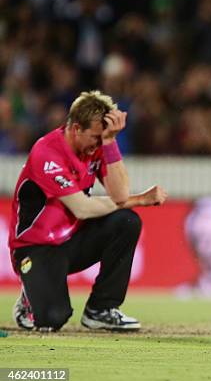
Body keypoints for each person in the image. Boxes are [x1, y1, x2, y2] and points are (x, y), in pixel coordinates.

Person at [8, 90, 168, 332]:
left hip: (72, 241)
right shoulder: (47, 152)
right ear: (75, 128)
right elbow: (82, 208)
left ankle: (101, 310)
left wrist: (110, 142)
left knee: (126, 222)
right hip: (35, 248)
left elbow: (120, 195)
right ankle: (29, 298)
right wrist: (141, 199)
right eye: (95, 136)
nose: (97, 143)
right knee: (52, 319)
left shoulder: (98, 146)